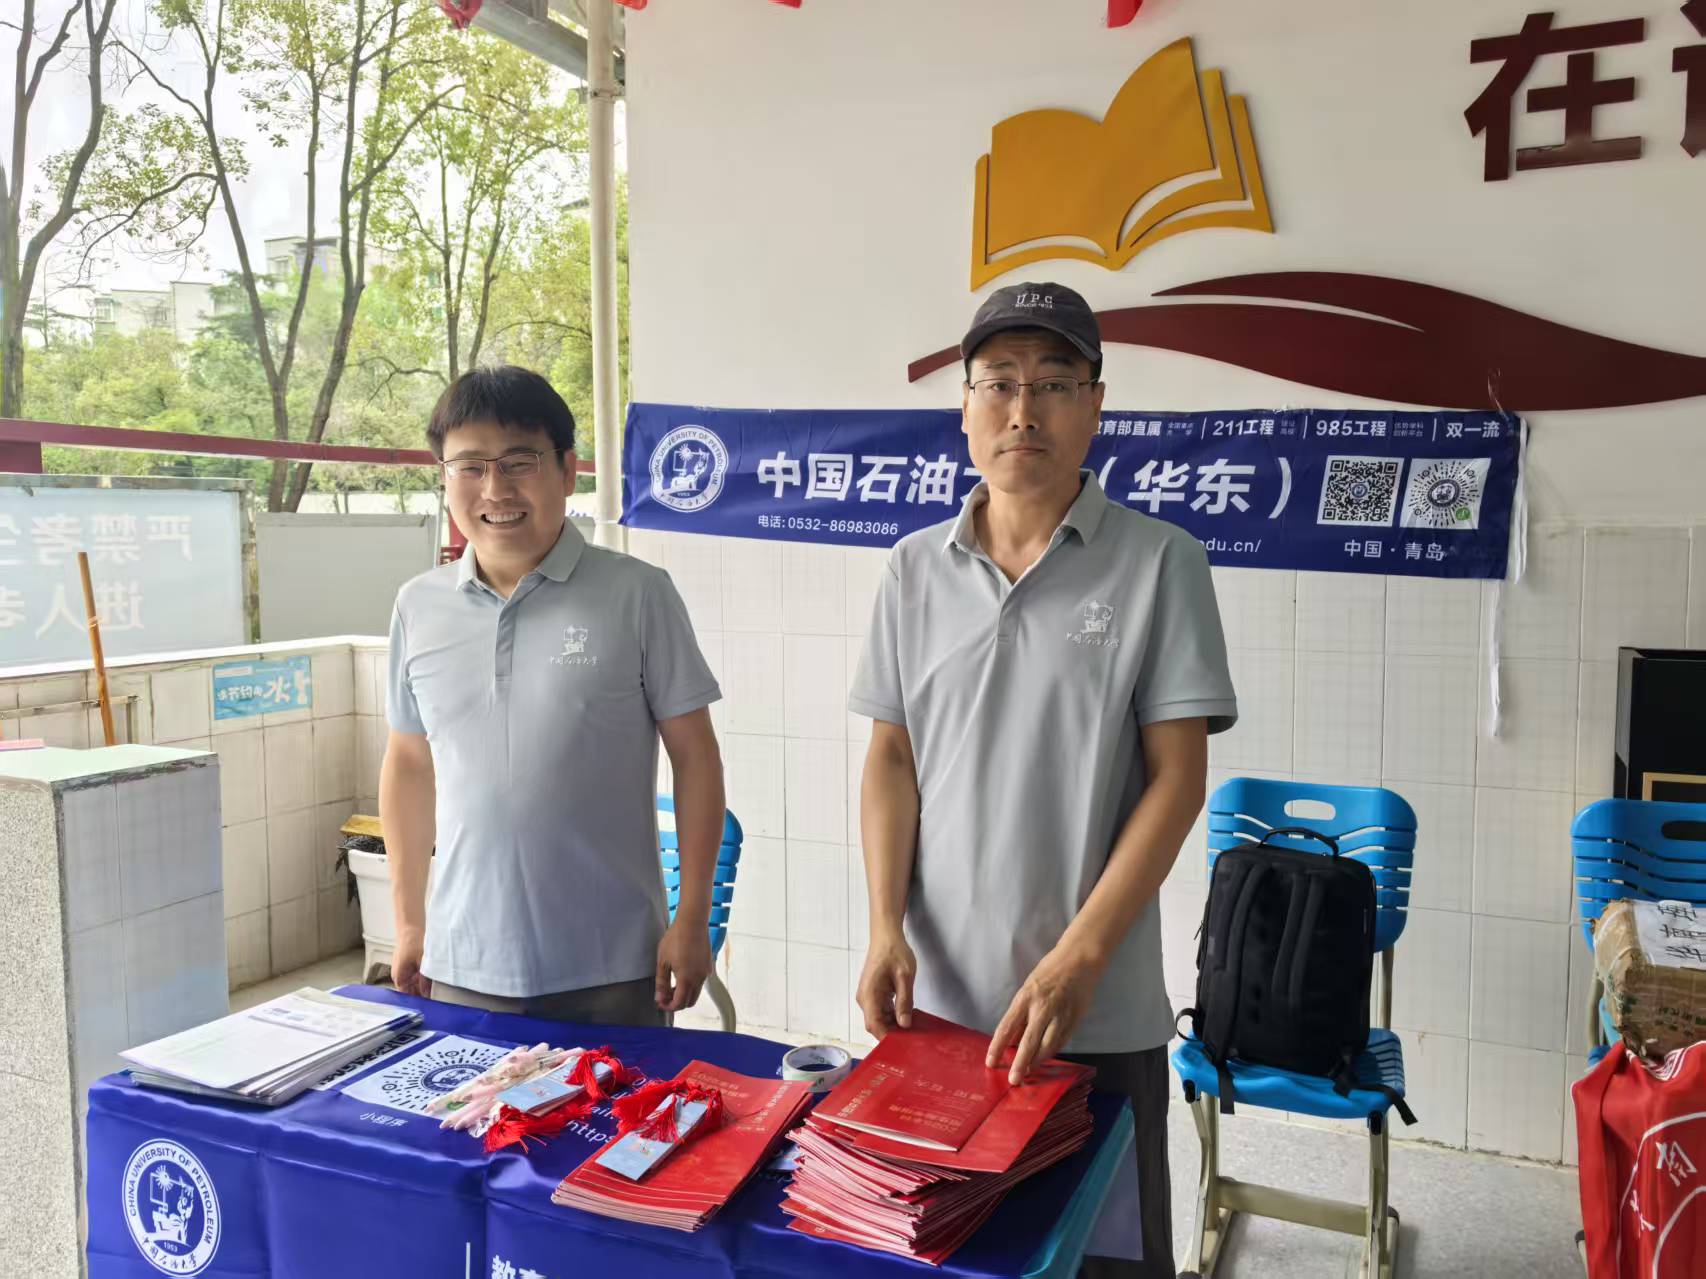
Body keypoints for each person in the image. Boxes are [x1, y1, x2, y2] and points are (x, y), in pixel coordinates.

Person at [850, 283, 1237, 1276]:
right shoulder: (911, 569)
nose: (1024, 409)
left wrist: (1080, 957)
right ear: (966, 408)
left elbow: (1176, 780)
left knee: (1103, 1261)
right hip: (936, 1007)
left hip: (1092, 1011)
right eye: (1000, 383)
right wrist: (884, 925)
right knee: (943, 1251)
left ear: (1095, 406)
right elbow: (891, 756)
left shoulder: (1160, 563)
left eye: (1054, 383)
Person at [381, 365, 726, 1026]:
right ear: (444, 477)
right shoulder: (417, 606)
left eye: (519, 462)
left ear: (567, 470)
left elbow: (696, 757)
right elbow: (409, 765)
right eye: (470, 466)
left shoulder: (638, 594)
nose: (495, 489)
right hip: (461, 963)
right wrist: (410, 921)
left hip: (615, 965)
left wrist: (691, 917)